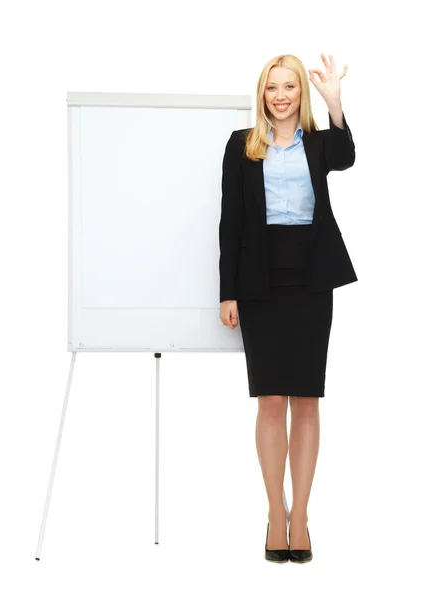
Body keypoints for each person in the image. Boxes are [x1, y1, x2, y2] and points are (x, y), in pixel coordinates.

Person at [218, 53, 357, 563]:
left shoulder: (318, 144)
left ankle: (301, 518)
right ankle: (275, 513)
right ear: (262, 94)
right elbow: (230, 221)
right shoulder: (241, 146)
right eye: (272, 87)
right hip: (259, 282)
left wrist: (335, 99)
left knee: (307, 399)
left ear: (301, 94)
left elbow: (347, 155)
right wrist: (226, 292)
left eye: (290, 87)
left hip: (311, 280)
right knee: (270, 401)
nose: (280, 96)